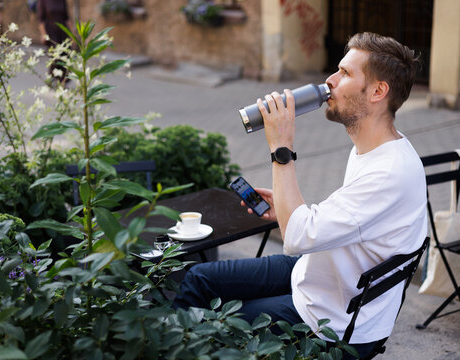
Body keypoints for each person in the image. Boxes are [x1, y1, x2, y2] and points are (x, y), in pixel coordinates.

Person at [173, 32, 427, 358]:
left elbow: (296, 238)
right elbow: (348, 220)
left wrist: (282, 148)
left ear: (378, 91)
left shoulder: (388, 172)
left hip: (331, 318)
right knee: (198, 278)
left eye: (346, 74)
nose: (330, 81)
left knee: (219, 321)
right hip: (321, 276)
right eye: (337, 70)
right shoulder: (378, 149)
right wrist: (287, 211)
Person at [37, 0, 70, 84]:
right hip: (51, 32)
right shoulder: (43, 1)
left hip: (63, 32)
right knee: (56, 56)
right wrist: (43, 34)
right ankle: (52, 77)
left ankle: (62, 81)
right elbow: (41, 20)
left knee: (65, 56)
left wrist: (71, 34)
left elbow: (66, 18)